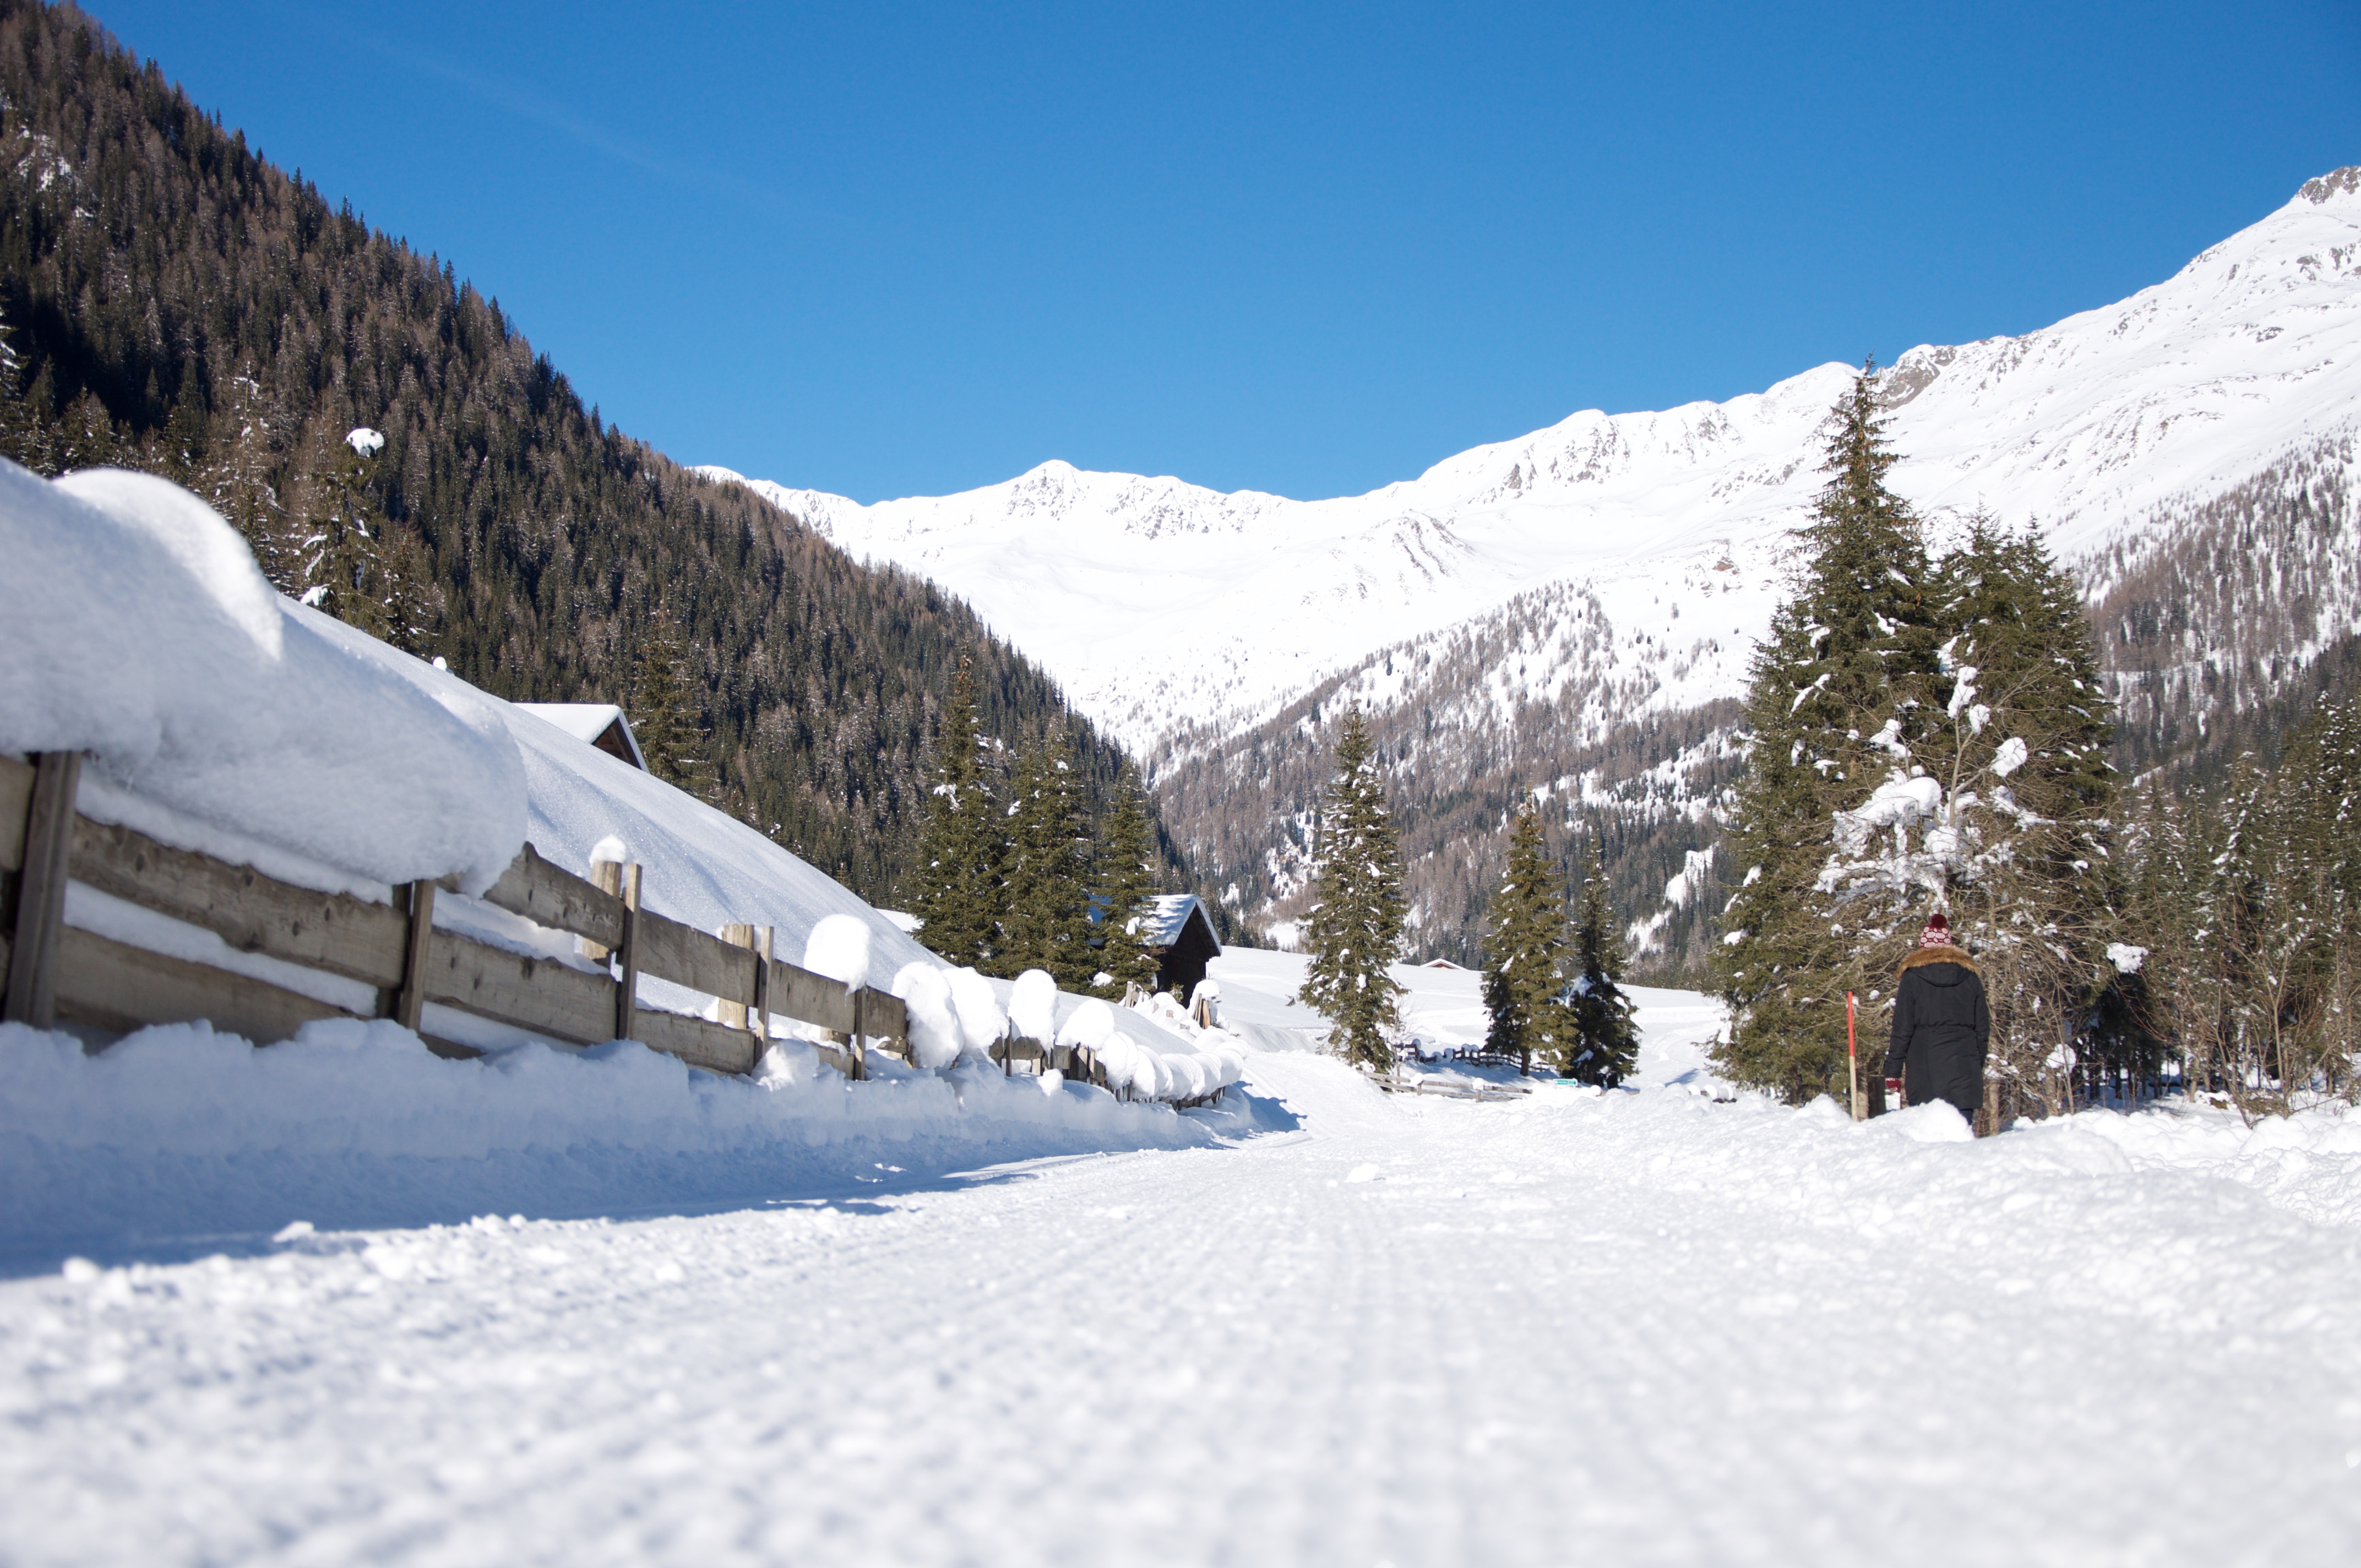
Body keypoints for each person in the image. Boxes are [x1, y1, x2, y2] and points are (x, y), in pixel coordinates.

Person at [1883, 911, 1989, 1129]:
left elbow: (1902, 1029)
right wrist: (1975, 1064)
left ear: (1924, 947)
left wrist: (1893, 1072)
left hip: (1924, 1071)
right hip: (1964, 1068)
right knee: (1962, 1139)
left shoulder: (1912, 979)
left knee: (1929, 1145)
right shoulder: (1970, 978)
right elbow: (1983, 1029)